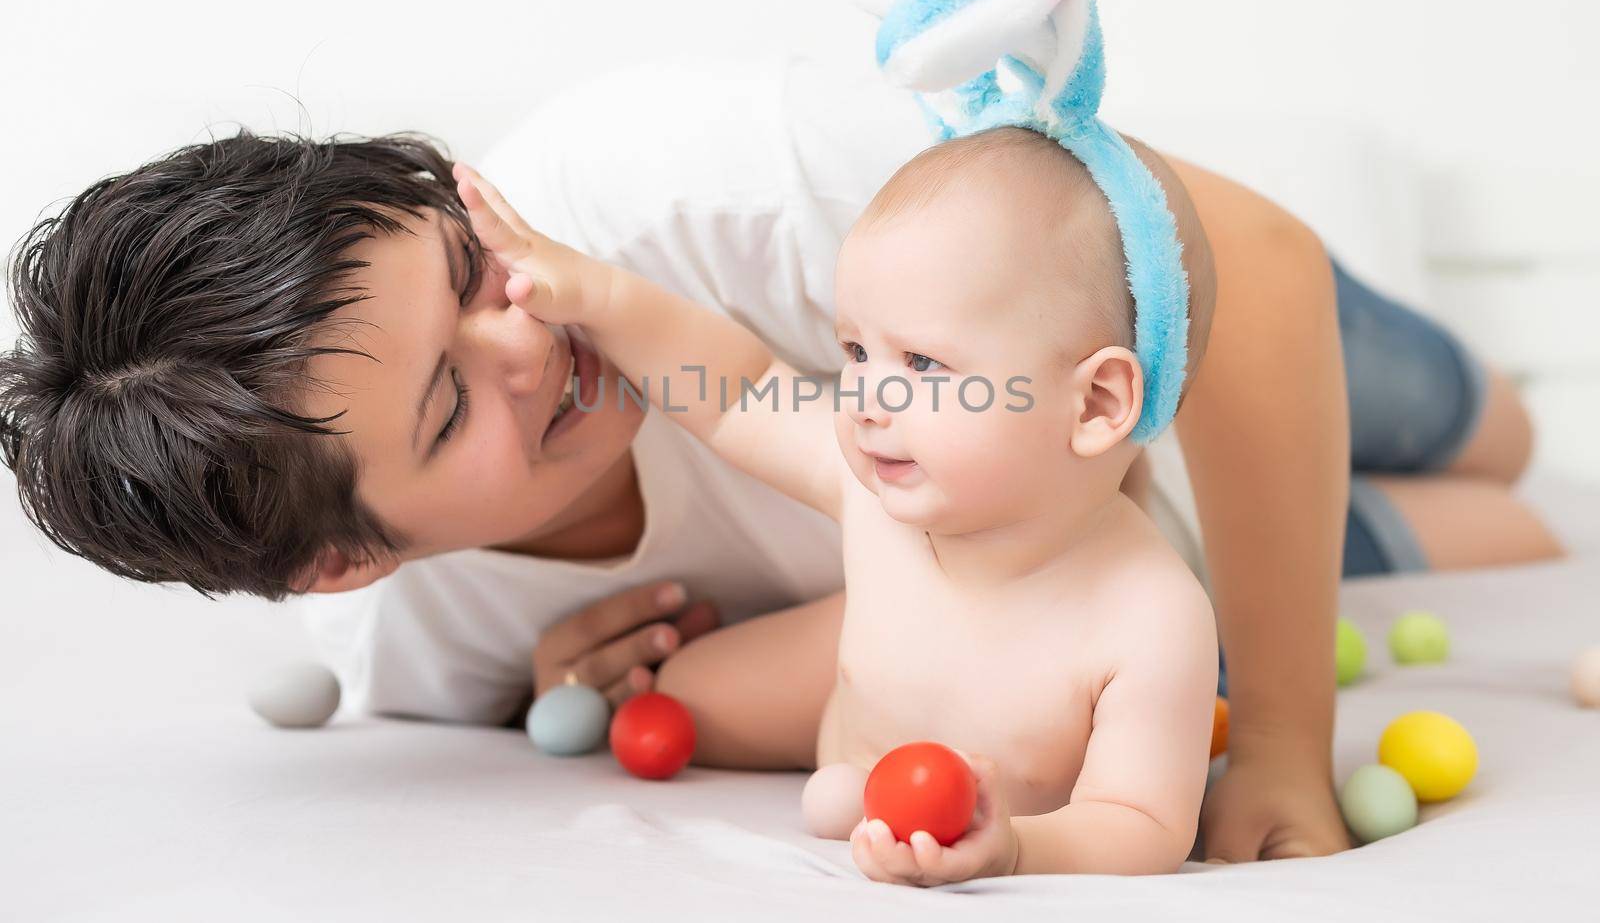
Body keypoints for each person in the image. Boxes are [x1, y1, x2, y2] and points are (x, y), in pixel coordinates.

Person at [0, 55, 1563, 864]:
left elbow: (1259, 273)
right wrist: (678, 678)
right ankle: (1377, 510)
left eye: (470, 273)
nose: (530, 343)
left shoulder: (703, 188)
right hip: (1103, 548)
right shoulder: (418, 646)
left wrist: (1286, 734)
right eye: (446, 408)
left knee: (1489, 421)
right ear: (350, 555)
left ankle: (1441, 418)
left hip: (1167, 318)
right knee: (1428, 532)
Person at [454, 119, 1220, 882]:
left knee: (829, 779)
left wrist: (1017, 845)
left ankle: (1191, 722)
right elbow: (739, 389)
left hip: (974, 788)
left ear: (1093, 405)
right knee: (674, 694)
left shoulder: (1150, 615)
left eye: (922, 362)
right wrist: (598, 295)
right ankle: (846, 743)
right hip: (851, 717)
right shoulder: (872, 497)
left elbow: (1143, 823)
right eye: (856, 350)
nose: (863, 398)